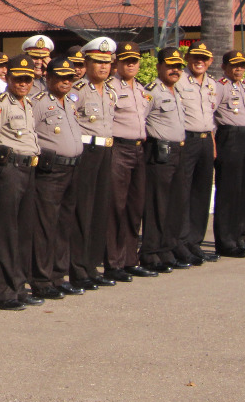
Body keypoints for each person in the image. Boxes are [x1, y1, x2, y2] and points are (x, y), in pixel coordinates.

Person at [0, 55, 42, 310]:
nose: (23, 83)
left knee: (23, 231)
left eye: (27, 79)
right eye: (18, 78)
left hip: (27, 169)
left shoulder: (28, 104)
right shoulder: (0, 104)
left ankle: (19, 287)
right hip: (7, 169)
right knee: (6, 232)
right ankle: (4, 291)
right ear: (8, 78)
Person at [28, 58, 85, 301]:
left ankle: (58, 276)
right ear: (48, 78)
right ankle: (41, 279)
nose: (66, 81)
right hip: (50, 171)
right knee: (45, 225)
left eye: (70, 77)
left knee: (64, 224)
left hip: (72, 169)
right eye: (61, 77)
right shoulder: (39, 103)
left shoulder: (71, 102)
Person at [66, 36, 118, 291]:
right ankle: (78, 268)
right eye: (97, 62)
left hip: (106, 150)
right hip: (86, 151)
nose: (103, 67)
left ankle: (92, 266)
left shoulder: (110, 90)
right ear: (86, 63)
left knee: (99, 210)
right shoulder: (77, 91)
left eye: (107, 62)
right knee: (83, 211)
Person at [105, 42, 157, 281]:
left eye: (135, 61)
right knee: (116, 206)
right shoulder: (110, 88)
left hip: (139, 149)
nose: (131, 65)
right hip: (118, 148)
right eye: (126, 61)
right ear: (117, 63)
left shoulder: (142, 89)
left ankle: (130, 259)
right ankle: (113, 262)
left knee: (135, 207)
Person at [141, 48, 189, 273]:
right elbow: (139, 120)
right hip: (159, 152)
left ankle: (168, 249)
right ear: (159, 66)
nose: (175, 70)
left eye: (178, 66)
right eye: (170, 66)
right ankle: (151, 253)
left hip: (178, 151)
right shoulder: (151, 92)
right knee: (157, 205)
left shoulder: (176, 91)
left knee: (174, 203)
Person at [175, 40, 219, 263]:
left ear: (210, 61)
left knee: (202, 193)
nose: (199, 62)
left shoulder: (212, 84)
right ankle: (180, 243)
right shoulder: (179, 81)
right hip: (186, 140)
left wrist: (212, 144)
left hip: (205, 141)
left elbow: (213, 117)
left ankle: (195, 243)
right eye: (195, 58)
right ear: (188, 59)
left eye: (204, 59)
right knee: (183, 192)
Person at [213, 50, 245, 257]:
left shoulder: (243, 87)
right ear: (225, 67)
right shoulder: (219, 87)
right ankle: (226, 241)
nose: (239, 69)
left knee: (243, 190)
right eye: (234, 65)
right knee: (228, 191)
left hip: (244, 137)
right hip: (229, 137)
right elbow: (209, 113)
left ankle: (240, 236)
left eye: (242, 65)